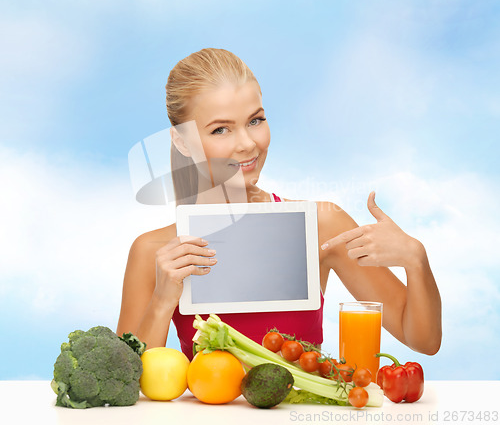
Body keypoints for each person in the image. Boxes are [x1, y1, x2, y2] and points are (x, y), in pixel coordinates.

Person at [116, 48, 442, 359]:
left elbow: (423, 340)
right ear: (181, 141)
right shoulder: (155, 252)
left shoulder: (321, 226)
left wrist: (416, 259)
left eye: (255, 120)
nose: (247, 144)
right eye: (220, 129)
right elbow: (123, 379)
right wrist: (162, 300)